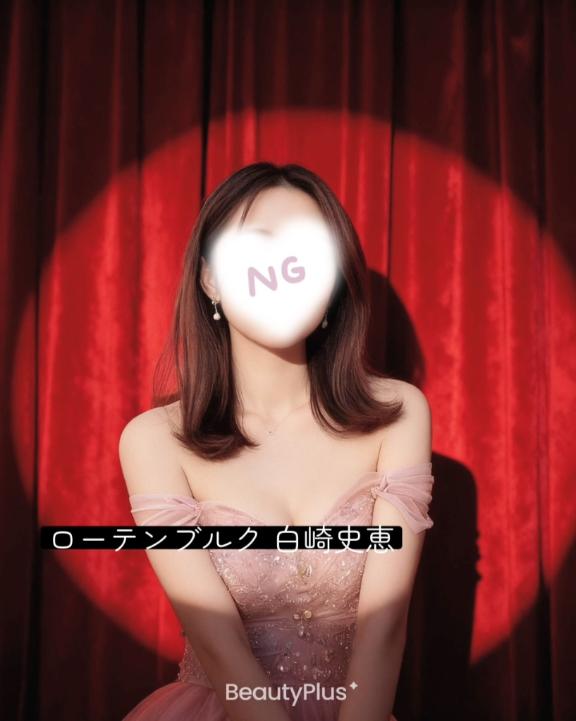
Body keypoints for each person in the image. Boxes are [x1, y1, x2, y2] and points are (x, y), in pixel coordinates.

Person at [119, 162, 435, 721]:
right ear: (211, 279)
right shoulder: (155, 441)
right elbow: (217, 644)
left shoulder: (399, 414)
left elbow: (385, 624)